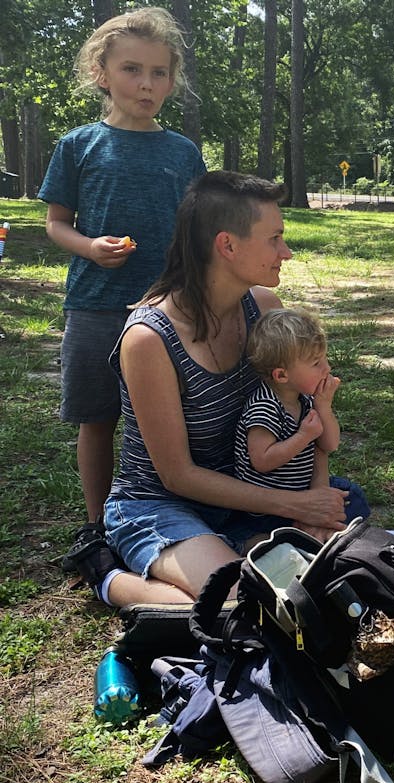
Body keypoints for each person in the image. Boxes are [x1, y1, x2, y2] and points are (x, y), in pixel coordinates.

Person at [74, 171, 356, 607]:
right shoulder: (149, 339)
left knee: (340, 547)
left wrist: (311, 498)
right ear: (227, 245)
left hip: (242, 490)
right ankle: (106, 572)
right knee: (245, 602)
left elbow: (305, 418)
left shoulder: (264, 308)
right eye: (275, 238)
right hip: (159, 504)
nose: (287, 251)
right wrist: (296, 506)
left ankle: (235, 547)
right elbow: (177, 475)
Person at [37, 7, 206, 564]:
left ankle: (166, 511)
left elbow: (198, 228)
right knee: (98, 418)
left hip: (169, 313)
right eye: (133, 70)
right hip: (96, 306)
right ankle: (95, 526)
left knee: (169, 420)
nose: (147, 84)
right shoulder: (79, 145)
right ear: (102, 73)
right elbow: (56, 221)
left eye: (160, 73)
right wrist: (90, 247)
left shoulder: (182, 152)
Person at [235, 307, 370, 532]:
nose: (327, 368)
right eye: (316, 363)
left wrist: (323, 407)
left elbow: (330, 444)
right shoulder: (265, 406)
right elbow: (262, 460)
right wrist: (303, 436)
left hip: (303, 491)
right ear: (281, 375)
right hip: (267, 511)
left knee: (352, 495)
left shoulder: (305, 399)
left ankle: (323, 534)